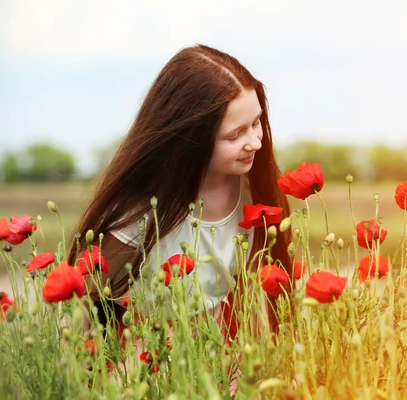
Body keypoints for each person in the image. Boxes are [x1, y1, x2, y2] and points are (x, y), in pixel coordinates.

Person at [67, 44, 293, 345]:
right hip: (144, 364)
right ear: (191, 138)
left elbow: (254, 300)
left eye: (256, 124)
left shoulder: (253, 195)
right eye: (235, 134)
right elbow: (83, 300)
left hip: (220, 359)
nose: (255, 142)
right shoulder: (138, 212)